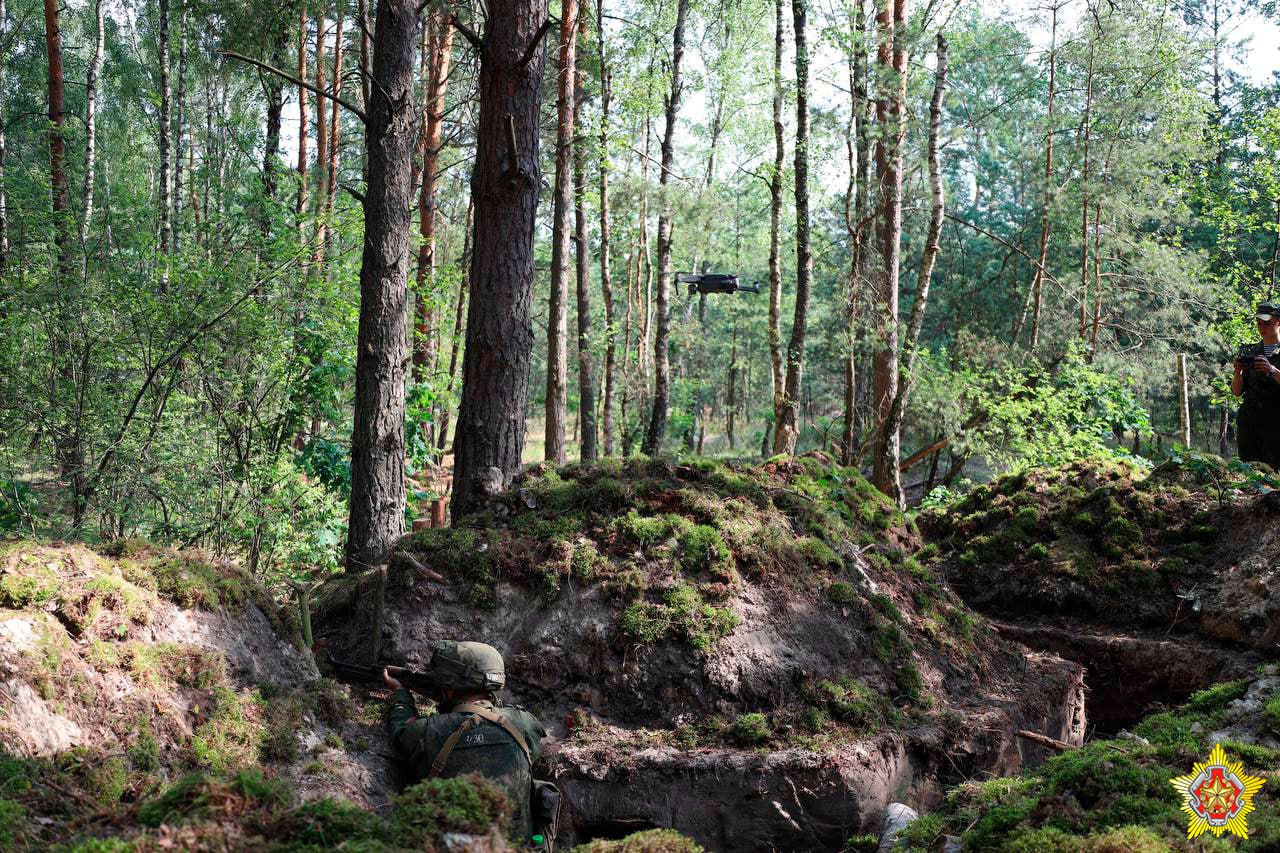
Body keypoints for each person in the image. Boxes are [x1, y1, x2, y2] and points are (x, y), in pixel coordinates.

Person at [384, 640, 549, 843]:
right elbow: (531, 754)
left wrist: (401, 694)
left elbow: (402, 729)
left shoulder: (428, 731)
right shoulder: (523, 723)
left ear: (449, 689)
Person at [1231, 301, 1280, 469]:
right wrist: (1237, 372)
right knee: (1249, 469)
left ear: (1278, 322)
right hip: (1249, 418)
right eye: (1259, 323)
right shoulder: (1251, 352)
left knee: (1275, 470)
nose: (1262, 327)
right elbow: (1237, 392)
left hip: (1275, 420)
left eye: (1267, 323)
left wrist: (1271, 370)